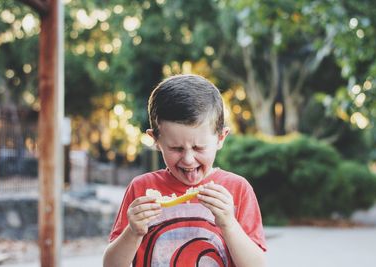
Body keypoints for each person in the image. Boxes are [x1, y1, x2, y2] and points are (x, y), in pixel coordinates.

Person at [103, 74, 266, 267]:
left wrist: (229, 224)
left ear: (221, 138)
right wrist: (133, 231)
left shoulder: (237, 190)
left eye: (198, 148)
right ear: (155, 140)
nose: (188, 159)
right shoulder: (141, 189)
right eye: (176, 148)